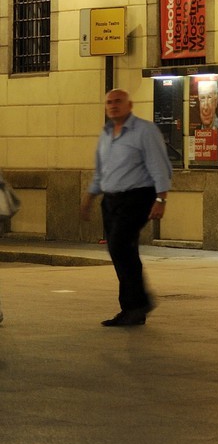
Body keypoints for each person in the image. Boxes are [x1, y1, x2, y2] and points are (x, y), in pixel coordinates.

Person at [81, 89, 173, 327]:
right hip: (111, 200)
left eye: (118, 102)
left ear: (129, 105)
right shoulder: (107, 133)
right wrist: (90, 197)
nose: (113, 106)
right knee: (122, 250)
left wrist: (161, 199)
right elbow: (101, 170)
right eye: (109, 102)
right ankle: (132, 308)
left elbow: (159, 165)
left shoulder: (145, 130)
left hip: (138, 197)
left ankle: (138, 303)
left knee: (121, 246)